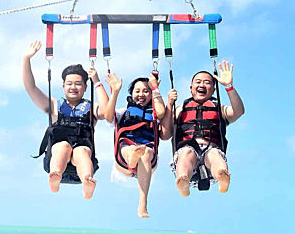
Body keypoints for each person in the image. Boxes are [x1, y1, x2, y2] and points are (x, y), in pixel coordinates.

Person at [22, 40, 109, 199]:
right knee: (62, 146)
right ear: (63, 86)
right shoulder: (54, 106)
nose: (73, 87)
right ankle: (55, 176)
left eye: (78, 84)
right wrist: (26, 59)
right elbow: (31, 88)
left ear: (84, 87)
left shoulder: (92, 108)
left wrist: (97, 81)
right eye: (69, 83)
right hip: (56, 161)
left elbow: (107, 112)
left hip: (83, 164)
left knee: (81, 151)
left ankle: (87, 182)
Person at [160, 60, 245, 196]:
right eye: (198, 82)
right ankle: (183, 181)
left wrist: (228, 86)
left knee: (214, 154)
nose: (202, 84)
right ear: (191, 88)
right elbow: (165, 135)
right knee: (186, 153)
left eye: (207, 82)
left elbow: (239, 111)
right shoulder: (180, 109)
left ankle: (222, 176)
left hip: (211, 152)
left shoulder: (220, 109)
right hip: (187, 152)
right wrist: (169, 104)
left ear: (213, 89)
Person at [104, 72, 165, 218]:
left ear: (151, 95)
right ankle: (132, 158)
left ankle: (142, 203)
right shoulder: (123, 112)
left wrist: (156, 88)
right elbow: (108, 116)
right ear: (131, 94)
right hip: (123, 157)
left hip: (147, 158)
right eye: (137, 91)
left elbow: (162, 112)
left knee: (144, 152)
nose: (141, 94)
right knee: (129, 149)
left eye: (146, 91)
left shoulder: (155, 114)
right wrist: (115, 92)